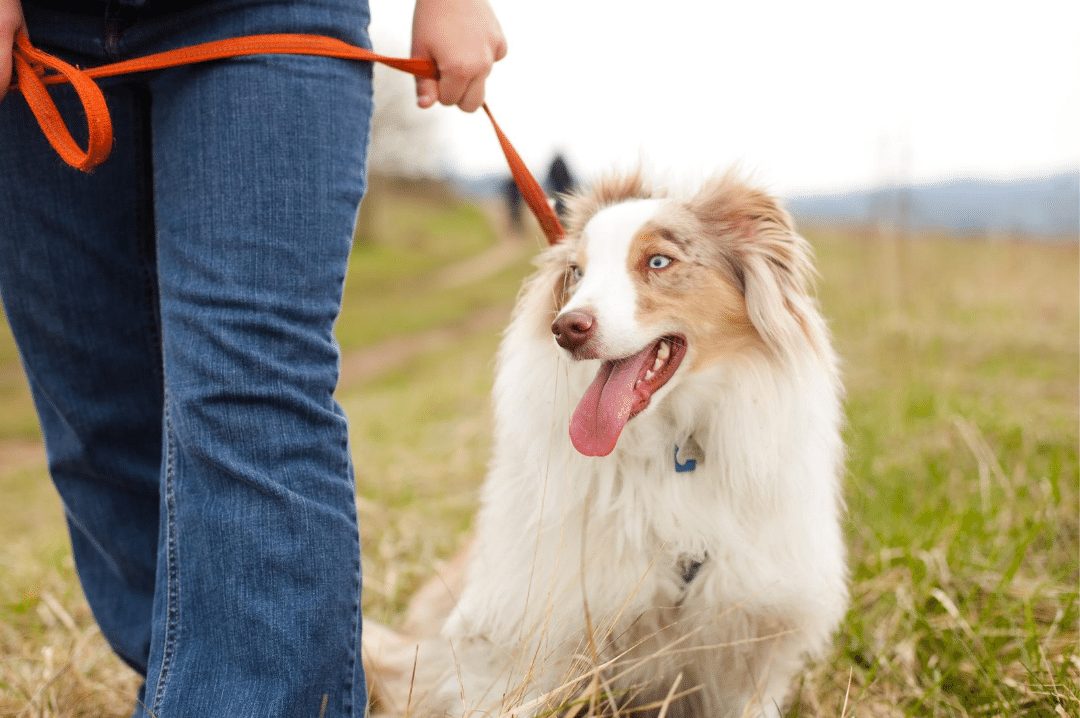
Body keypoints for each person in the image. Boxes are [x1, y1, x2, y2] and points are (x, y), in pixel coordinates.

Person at [0, 0, 505, 715]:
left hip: (268, 14)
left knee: (250, 391)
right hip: (42, 34)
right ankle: (182, 682)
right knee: (92, 405)